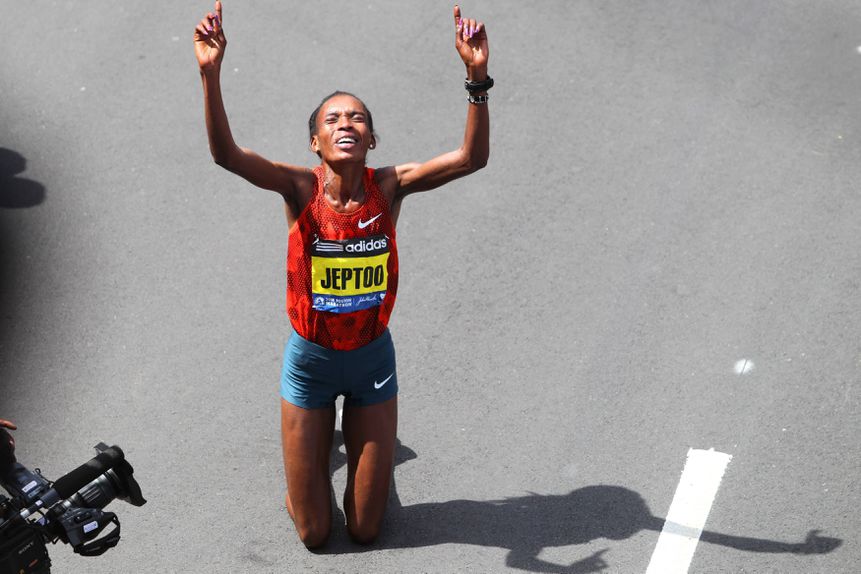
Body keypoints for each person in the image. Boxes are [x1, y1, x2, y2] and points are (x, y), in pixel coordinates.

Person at [193, 1, 490, 548]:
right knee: (313, 533)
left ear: (371, 140)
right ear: (316, 143)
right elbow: (226, 155)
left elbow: (471, 158)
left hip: (373, 361)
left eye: (356, 118)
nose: (345, 124)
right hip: (310, 364)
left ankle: (359, 457)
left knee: (365, 529)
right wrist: (210, 75)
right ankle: (303, 485)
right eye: (332, 119)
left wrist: (476, 78)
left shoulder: (390, 185)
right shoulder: (299, 189)